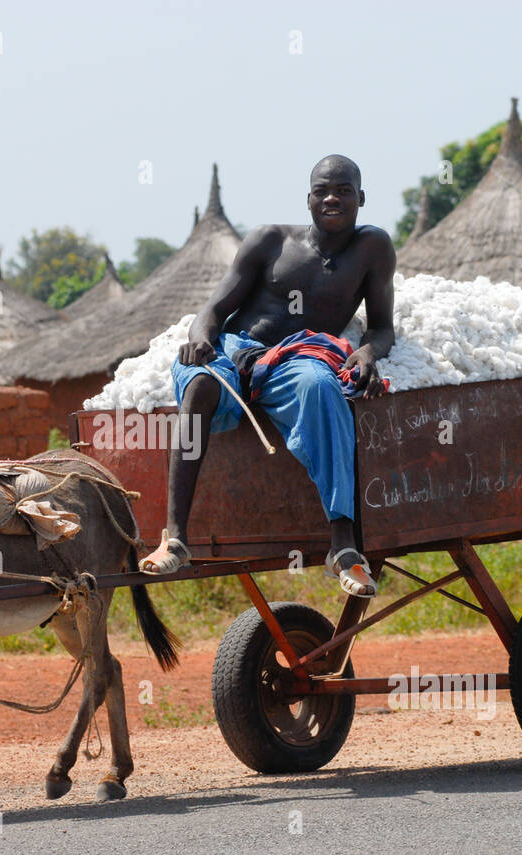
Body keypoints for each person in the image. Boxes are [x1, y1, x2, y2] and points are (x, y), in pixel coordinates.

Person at [140, 155, 395, 596]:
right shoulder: (270, 240)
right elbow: (214, 311)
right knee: (200, 383)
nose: (332, 198)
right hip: (237, 348)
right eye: (322, 190)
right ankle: (176, 537)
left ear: (362, 198)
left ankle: (343, 547)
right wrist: (200, 339)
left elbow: (382, 326)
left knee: (322, 388)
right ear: (309, 198)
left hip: (297, 356)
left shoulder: (372, 248)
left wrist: (370, 351)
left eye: (343, 191)